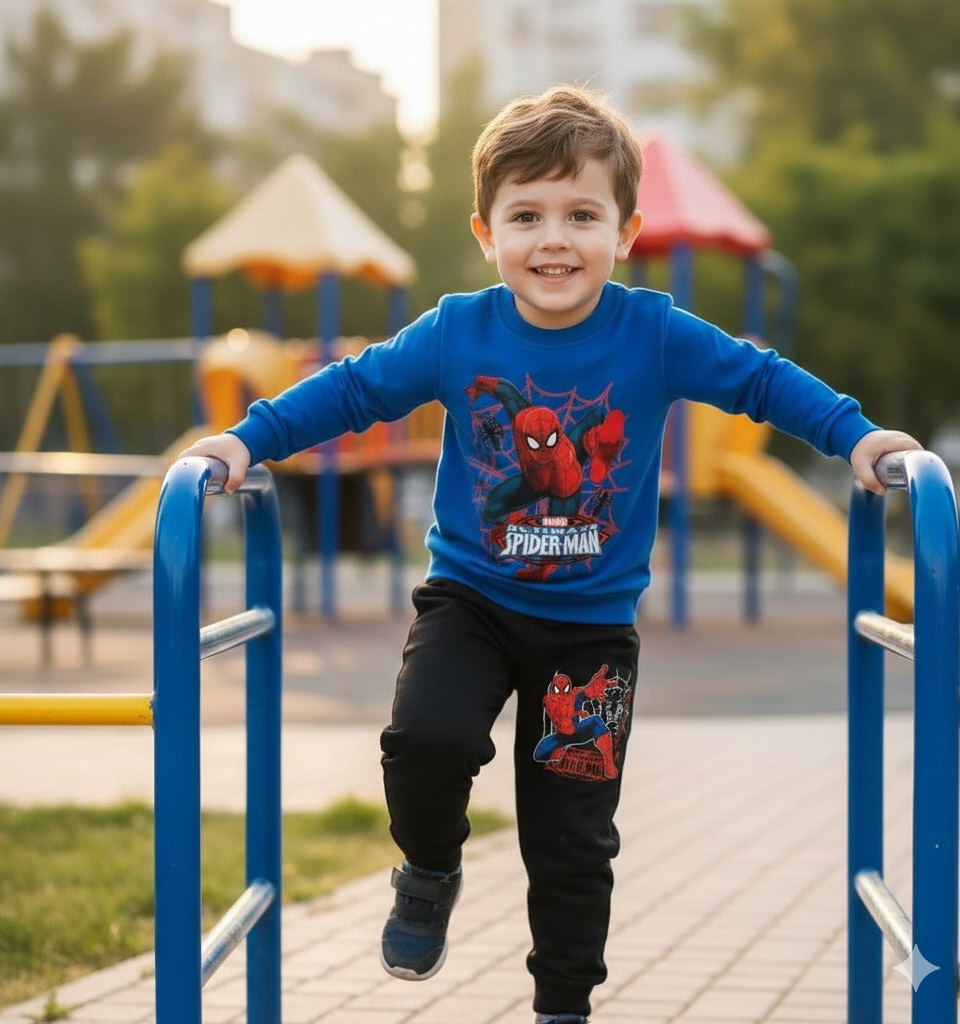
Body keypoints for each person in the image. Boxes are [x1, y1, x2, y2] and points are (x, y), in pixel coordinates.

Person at [179, 85, 921, 1024]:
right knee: (426, 743)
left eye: (582, 215)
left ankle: (562, 1008)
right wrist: (247, 440)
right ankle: (429, 866)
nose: (554, 240)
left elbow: (758, 380)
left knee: (571, 838)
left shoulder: (652, 332)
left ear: (627, 230)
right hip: (471, 603)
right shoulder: (460, 330)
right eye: (526, 216)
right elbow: (355, 390)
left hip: (590, 631)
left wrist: (856, 437)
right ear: (487, 232)